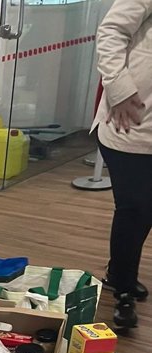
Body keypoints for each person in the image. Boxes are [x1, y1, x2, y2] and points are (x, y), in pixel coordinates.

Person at [94, 0, 152, 330]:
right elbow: (112, 30)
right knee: (135, 207)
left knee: (146, 208)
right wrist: (118, 87)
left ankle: (119, 273)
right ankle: (124, 290)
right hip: (132, 120)